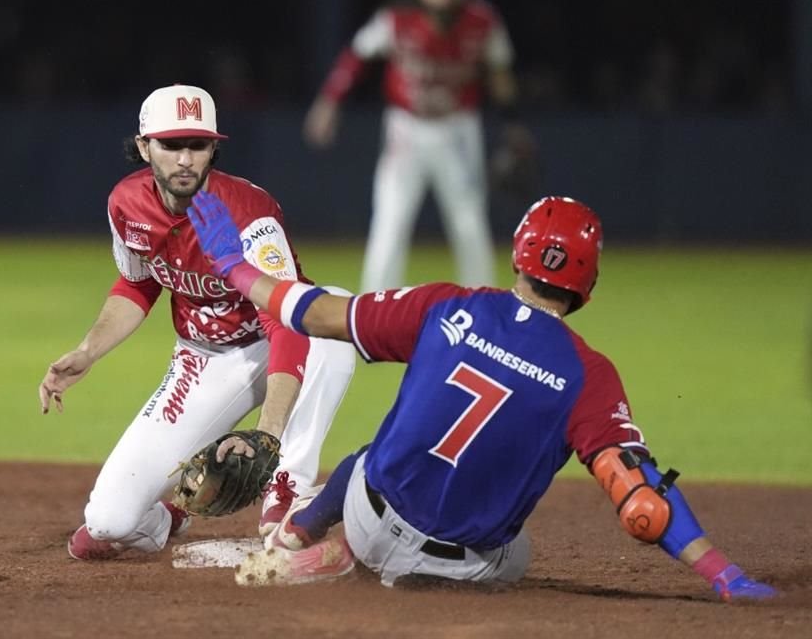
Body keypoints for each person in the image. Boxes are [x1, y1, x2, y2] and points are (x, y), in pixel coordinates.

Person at [185, 191, 778, 600]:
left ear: (519, 252)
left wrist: (234, 264)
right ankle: (372, 561)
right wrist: (721, 572)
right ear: (589, 283)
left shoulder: (448, 305)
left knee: (368, 459)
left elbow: (316, 313)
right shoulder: (588, 375)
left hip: (368, 520)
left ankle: (295, 540)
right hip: (463, 573)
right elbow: (640, 503)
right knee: (517, 546)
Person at [38, 85, 356, 560]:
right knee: (107, 523)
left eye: (197, 145)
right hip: (204, 356)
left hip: (281, 339)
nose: (185, 159)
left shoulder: (249, 213)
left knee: (328, 311)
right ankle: (168, 519)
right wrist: (88, 351)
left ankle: (287, 488)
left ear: (213, 148)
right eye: (171, 145)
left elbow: (284, 323)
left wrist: (267, 435)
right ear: (145, 147)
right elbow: (137, 283)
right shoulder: (125, 205)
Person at [303, 0, 532, 292]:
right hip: (406, 128)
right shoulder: (396, 18)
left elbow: (500, 71)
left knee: (469, 224)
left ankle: (482, 304)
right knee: (391, 220)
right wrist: (329, 101)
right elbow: (356, 56)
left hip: (458, 128)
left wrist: (513, 124)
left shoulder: (483, 21)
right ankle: (373, 306)